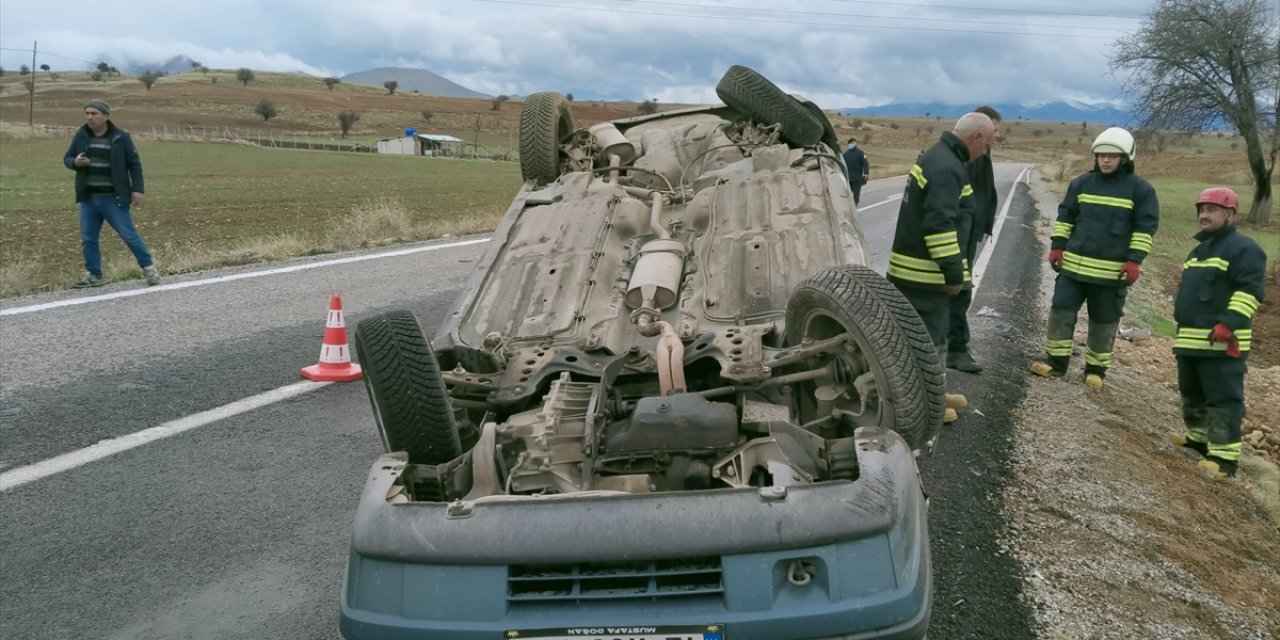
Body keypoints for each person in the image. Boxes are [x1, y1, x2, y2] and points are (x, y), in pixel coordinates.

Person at [887, 112, 996, 423]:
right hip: (924, 275)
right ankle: (927, 407)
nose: (984, 152)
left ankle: (933, 392)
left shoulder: (940, 157)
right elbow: (939, 224)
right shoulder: (947, 167)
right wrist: (952, 273)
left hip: (917, 271)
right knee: (927, 341)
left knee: (929, 336)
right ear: (975, 139)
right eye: (986, 145)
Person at [1029, 127, 1158, 389]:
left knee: (1104, 323)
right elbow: (1065, 218)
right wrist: (1057, 247)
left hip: (1110, 276)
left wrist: (1134, 261)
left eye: (1112, 155)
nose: (1106, 160)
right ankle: (1056, 364)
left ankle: (1095, 371)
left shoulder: (1140, 190)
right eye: (1101, 155)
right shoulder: (1081, 184)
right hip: (1073, 271)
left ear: (1125, 158)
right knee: (1061, 313)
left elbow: (1144, 229)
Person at [1168, 187, 1266, 478]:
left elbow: (1250, 291)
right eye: (1201, 209)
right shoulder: (1196, 252)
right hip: (1190, 341)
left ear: (1230, 214)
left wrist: (1229, 323)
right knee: (1192, 393)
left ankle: (1224, 460)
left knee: (1222, 398)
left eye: (1211, 210)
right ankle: (1199, 441)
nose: (1204, 215)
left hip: (1224, 343)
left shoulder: (1244, 249)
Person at [63, 99, 159, 288]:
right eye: (87, 113)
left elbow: (134, 164)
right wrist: (75, 162)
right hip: (89, 199)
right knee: (88, 238)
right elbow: (67, 157)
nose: (89, 117)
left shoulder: (120, 137)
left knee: (128, 235)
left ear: (106, 116)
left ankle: (149, 268)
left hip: (113, 198)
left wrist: (137, 189)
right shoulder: (81, 135)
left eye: (94, 113)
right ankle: (94, 274)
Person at [946, 105, 1002, 373]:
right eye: (993, 129)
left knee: (957, 290)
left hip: (969, 232)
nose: (996, 135)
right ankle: (955, 348)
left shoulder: (981, 154)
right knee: (959, 289)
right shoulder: (969, 157)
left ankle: (951, 345)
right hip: (960, 234)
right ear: (978, 133)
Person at [842, 138, 870, 206]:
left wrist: (866, 173)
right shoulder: (846, 154)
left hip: (857, 176)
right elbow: (842, 164)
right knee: (847, 191)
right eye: (850, 143)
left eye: (853, 143)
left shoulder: (860, 153)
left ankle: (855, 204)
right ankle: (847, 204)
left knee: (856, 192)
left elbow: (865, 163)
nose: (851, 145)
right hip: (848, 177)